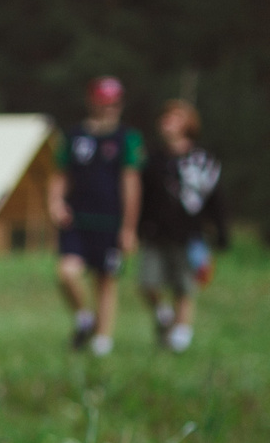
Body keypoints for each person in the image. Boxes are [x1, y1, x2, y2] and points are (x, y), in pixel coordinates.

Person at [51, 76, 144, 356]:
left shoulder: (127, 138)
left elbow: (131, 184)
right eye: (104, 102)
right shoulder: (74, 136)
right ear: (92, 101)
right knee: (67, 273)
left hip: (110, 222)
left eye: (114, 103)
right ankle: (85, 318)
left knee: (105, 281)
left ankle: (102, 341)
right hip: (76, 220)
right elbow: (60, 175)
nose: (109, 108)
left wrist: (129, 228)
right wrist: (55, 202)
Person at [139, 98, 226, 353]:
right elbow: (142, 196)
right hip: (155, 232)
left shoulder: (201, 160)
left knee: (184, 286)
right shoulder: (152, 159)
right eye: (165, 117)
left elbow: (215, 199)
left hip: (189, 235)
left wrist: (221, 231)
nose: (168, 122)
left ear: (188, 124)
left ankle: (181, 333)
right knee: (147, 283)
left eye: (175, 118)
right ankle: (164, 314)